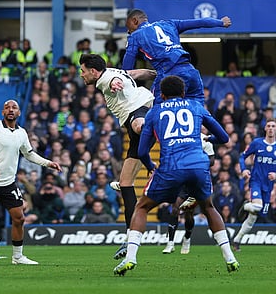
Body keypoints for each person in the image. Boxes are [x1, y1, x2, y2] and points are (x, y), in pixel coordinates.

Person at [114, 75, 239, 276]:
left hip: (171, 166)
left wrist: (150, 166)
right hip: (199, 164)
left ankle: (130, 258)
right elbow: (224, 137)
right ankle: (229, 256)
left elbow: (143, 151)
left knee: (142, 207)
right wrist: (207, 138)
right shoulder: (196, 106)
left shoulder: (154, 111)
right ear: (183, 93)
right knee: (208, 207)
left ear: (161, 95)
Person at [78, 53, 156, 260]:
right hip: (138, 114)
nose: (81, 75)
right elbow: (135, 73)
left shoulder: (108, 79)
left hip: (138, 114)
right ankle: (130, 237)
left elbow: (117, 81)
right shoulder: (115, 71)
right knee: (125, 183)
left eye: (83, 71)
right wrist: (155, 73)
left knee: (139, 126)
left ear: (93, 72)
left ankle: (162, 140)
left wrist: (116, 85)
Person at [0, 99, 62, 265]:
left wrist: (48, 163)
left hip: (8, 184)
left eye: (14, 108)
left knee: (19, 218)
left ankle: (17, 257)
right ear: (3, 112)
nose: (10, 110)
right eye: (7, 108)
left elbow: (29, 154)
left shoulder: (22, 133)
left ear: (19, 113)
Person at [122, 8, 232, 105]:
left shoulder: (135, 36)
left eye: (129, 28)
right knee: (200, 115)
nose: (129, 32)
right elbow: (199, 22)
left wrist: (123, 83)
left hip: (169, 75)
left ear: (135, 21)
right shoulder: (169, 23)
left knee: (155, 111)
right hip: (191, 72)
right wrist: (220, 22)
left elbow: (127, 67)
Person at [162, 133, 216, 255]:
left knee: (189, 212)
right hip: (181, 177)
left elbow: (212, 161)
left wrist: (197, 161)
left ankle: (187, 238)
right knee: (175, 208)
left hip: (196, 179)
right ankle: (170, 243)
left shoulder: (205, 140)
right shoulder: (180, 138)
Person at [233, 119, 276, 251]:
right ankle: (245, 205)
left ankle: (236, 241)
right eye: (268, 126)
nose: (270, 128)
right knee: (257, 206)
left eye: (273, 126)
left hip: (268, 186)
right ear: (265, 129)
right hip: (256, 181)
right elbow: (242, 156)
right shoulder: (257, 143)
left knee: (255, 216)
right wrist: (244, 169)